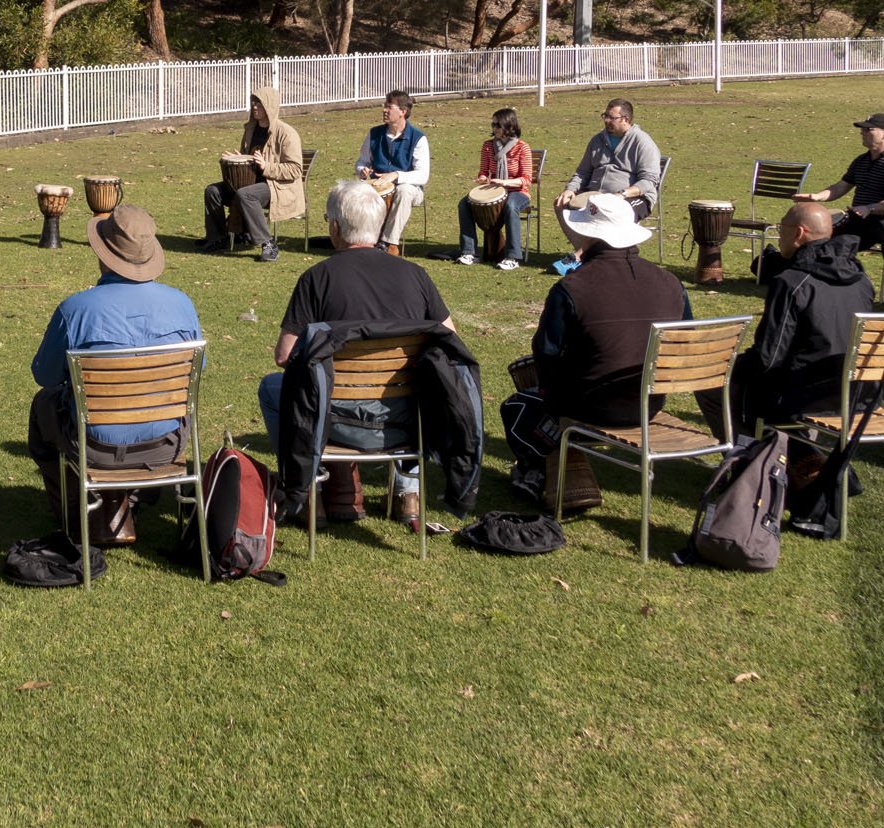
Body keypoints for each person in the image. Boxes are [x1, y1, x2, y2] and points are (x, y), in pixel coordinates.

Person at [257, 180, 456, 527]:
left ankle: (308, 490)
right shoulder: (417, 276)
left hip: (334, 419)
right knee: (426, 384)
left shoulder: (316, 279)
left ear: (335, 227)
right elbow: (449, 340)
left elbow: (284, 355)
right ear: (379, 225)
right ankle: (407, 493)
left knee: (273, 388)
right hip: (404, 419)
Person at [499, 193, 692, 515]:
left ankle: (541, 468)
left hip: (591, 406)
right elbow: (685, 339)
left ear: (589, 234)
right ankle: (563, 460)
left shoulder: (572, 287)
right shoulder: (671, 282)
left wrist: (554, 396)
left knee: (519, 407)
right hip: (652, 401)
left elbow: (546, 352)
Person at [26, 203, 204, 546]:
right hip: (165, 448)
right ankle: (123, 502)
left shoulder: (75, 309)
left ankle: (78, 516)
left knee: (43, 406)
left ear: (103, 255)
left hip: (94, 446)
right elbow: (195, 376)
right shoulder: (182, 305)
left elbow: (45, 376)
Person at [695, 204, 872, 433]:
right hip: (858, 391)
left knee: (710, 384)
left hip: (804, 392)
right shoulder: (860, 278)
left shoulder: (791, 282)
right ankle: (793, 452)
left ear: (798, 233)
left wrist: (728, 365)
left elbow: (768, 357)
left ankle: (748, 458)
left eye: (781, 228)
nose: (779, 236)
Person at [201, 88, 307, 262]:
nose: (255, 107)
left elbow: (295, 169)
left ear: (270, 106)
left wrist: (267, 166)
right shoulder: (251, 129)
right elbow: (250, 157)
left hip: (278, 186)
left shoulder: (286, 133)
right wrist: (238, 158)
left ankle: (268, 244)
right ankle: (219, 238)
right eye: (253, 103)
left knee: (247, 195)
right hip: (248, 181)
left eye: (259, 103)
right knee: (212, 191)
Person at [796, 111, 884, 251]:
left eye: (868, 129)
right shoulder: (861, 160)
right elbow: (841, 187)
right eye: (862, 129)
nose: (862, 132)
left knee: (839, 245)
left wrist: (869, 208)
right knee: (816, 236)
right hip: (860, 220)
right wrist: (816, 196)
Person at [353, 88, 431, 255]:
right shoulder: (374, 134)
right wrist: (362, 170)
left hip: (410, 190)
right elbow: (361, 161)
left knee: (404, 190)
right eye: (384, 106)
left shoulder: (418, 138)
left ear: (403, 111)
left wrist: (396, 175)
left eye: (389, 107)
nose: (384, 110)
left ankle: (389, 243)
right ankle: (356, 240)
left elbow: (422, 175)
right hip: (376, 187)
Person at [558, 99, 662, 221]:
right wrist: (570, 189)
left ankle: (601, 240)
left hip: (633, 197)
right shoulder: (597, 140)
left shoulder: (642, 142)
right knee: (560, 203)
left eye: (612, 118)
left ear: (626, 119)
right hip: (596, 194)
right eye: (605, 116)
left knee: (611, 212)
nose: (606, 120)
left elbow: (649, 181)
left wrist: (622, 194)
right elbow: (582, 172)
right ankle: (583, 241)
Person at [455, 107, 533, 269]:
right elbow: (484, 171)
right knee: (464, 204)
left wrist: (505, 183)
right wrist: (483, 178)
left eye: (497, 125)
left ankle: (512, 257)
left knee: (511, 206)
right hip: (494, 190)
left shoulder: (522, 147)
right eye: (493, 124)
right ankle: (469, 252)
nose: (494, 128)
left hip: (517, 192)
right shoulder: (488, 146)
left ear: (509, 126)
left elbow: (526, 179)